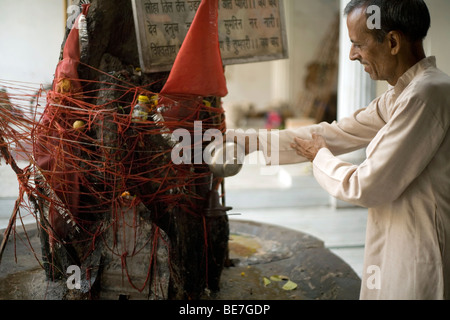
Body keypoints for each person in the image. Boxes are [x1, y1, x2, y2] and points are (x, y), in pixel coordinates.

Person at [228, 0, 450, 300]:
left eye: (358, 44)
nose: (352, 54)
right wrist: (243, 141)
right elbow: (334, 133)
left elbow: (366, 186)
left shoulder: (427, 94)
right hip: (399, 247)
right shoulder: (402, 94)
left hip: (421, 256)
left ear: (393, 42)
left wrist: (320, 156)